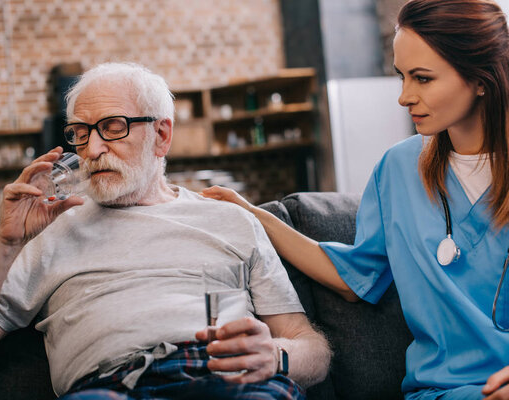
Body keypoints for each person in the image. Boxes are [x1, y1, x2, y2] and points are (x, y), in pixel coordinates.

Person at [0, 62, 331, 399]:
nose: (91, 150)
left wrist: (277, 356)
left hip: (228, 381)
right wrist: (4, 239)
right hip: (109, 386)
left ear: (161, 135)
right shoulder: (51, 230)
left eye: (112, 126)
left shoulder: (232, 220)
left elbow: (310, 346)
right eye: (81, 132)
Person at [202, 0, 509, 399]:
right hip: (441, 392)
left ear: (481, 79)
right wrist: (255, 216)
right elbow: (355, 277)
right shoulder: (398, 169)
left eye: (422, 78)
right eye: (401, 77)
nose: (404, 96)